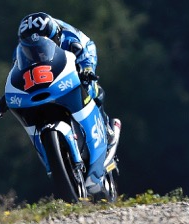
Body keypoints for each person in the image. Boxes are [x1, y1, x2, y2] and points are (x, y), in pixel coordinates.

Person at [7, 11, 121, 142]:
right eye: (32, 49)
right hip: (43, 76)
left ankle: (105, 125)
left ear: (56, 37)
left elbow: (87, 53)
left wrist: (87, 70)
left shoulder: (70, 38)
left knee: (90, 87)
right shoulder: (19, 53)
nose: (39, 52)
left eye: (43, 46)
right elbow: (17, 74)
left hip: (77, 60)